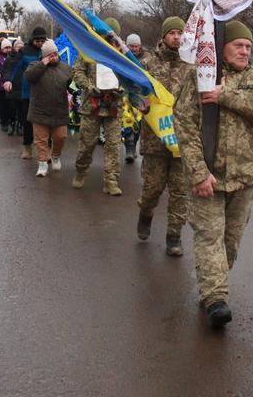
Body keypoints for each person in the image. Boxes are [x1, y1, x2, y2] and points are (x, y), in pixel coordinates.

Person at [173, 19, 253, 329]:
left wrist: (225, 96)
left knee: (230, 243)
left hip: (244, 180)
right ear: (222, 47)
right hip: (209, 178)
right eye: (238, 45)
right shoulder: (198, 77)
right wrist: (198, 173)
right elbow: (185, 128)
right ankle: (216, 299)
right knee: (209, 239)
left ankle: (211, 285)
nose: (245, 51)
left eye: (248, 46)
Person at [136, 16, 191, 257]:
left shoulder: (191, 66)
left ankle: (174, 237)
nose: (177, 37)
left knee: (180, 192)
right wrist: (141, 102)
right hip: (155, 140)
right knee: (153, 188)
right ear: (164, 36)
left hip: (183, 140)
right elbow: (136, 91)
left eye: (180, 33)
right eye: (172, 33)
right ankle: (146, 213)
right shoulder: (148, 64)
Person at [72, 17, 124, 196]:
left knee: (113, 145)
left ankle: (111, 181)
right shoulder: (87, 50)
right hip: (91, 105)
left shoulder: (120, 52)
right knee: (87, 143)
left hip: (114, 105)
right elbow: (77, 71)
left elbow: (129, 75)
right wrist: (88, 86)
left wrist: (122, 89)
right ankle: (80, 170)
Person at [25, 39, 71, 177]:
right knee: (41, 140)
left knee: (60, 137)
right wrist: (43, 64)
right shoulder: (35, 65)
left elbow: (72, 84)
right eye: (50, 55)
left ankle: (55, 155)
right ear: (44, 55)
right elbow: (29, 77)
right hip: (40, 111)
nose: (53, 57)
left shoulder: (65, 68)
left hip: (60, 111)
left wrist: (74, 93)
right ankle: (42, 163)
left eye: (55, 54)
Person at [13, 27, 48, 159]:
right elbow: (16, 67)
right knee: (27, 121)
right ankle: (27, 147)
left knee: (45, 122)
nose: (40, 43)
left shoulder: (48, 50)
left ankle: (45, 149)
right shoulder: (24, 51)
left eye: (42, 40)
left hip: (45, 92)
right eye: (37, 40)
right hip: (28, 92)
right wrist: (8, 81)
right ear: (33, 40)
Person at [122, 33, 145, 164]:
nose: (134, 49)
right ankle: (129, 149)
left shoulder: (146, 58)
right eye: (131, 46)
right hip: (126, 95)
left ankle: (134, 144)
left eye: (136, 46)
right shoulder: (122, 57)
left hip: (141, 96)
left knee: (138, 124)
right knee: (127, 121)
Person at [1, 39, 26, 136]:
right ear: (14, 48)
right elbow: (5, 71)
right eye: (17, 46)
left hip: (23, 87)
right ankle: (11, 124)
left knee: (21, 109)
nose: (19, 48)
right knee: (11, 108)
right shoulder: (9, 58)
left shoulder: (25, 58)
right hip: (12, 87)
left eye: (21, 46)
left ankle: (20, 125)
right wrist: (7, 80)